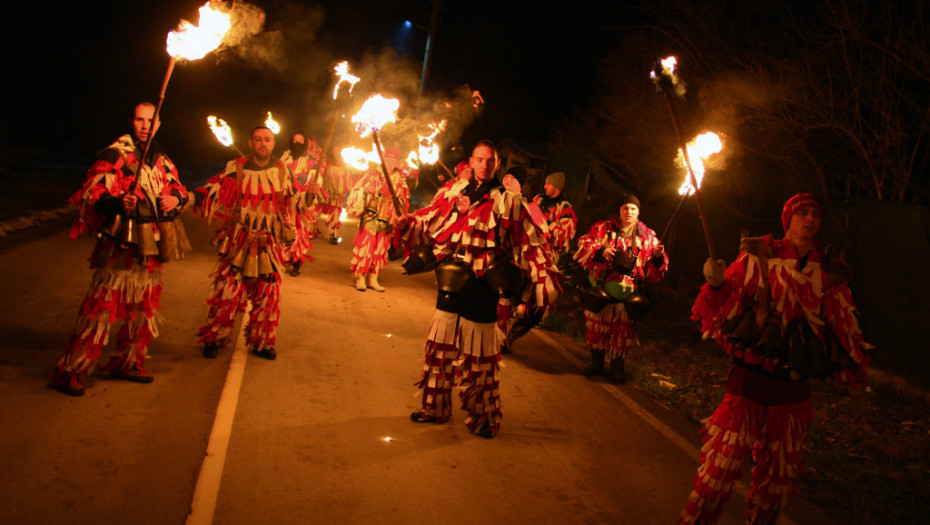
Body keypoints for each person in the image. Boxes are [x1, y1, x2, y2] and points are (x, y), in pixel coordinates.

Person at [677, 193, 872, 525]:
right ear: (788, 219)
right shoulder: (758, 256)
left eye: (815, 214)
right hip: (748, 383)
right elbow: (727, 304)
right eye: (803, 213)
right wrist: (715, 283)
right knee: (719, 471)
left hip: (792, 395)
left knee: (775, 486)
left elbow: (843, 324)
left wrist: (855, 371)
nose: (810, 219)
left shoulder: (826, 271)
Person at [394, 140, 561, 438]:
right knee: (440, 348)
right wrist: (407, 221)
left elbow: (531, 238)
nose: (484, 165)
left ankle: (483, 418)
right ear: (471, 161)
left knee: (481, 357)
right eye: (480, 159)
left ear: (497, 164)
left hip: (484, 285)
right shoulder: (453, 192)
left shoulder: (508, 200)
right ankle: (434, 408)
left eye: (490, 161)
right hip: (452, 280)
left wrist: (538, 279)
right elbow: (430, 221)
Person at [50, 102, 190, 396]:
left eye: (149, 121)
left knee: (142, 309)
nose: (144, 126)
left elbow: (178, 186)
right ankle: (71, 370)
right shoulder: (115, 154)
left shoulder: (160, 158)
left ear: (158, 125)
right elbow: (93, 193)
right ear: (131, 121)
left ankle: (128, 362)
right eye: (139, 120)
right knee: (100, 308)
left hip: (150, 246)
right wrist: (118, 203)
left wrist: (176, 199)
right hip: (120, 244)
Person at [196, 126, 296, 361]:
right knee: (227, 293)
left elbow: (293, 202)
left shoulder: (283, 171)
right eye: (258, 139)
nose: (263, 143)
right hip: (238, 239)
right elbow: (214, 189)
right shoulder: (237, 167)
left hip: (269, 242)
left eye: (267, 140)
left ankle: (262, 342)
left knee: (268, 294)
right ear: (250, 143)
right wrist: (187, 197)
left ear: (273, 144)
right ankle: (215, 338)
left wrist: (311, 196)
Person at [573, 193, 668, 383]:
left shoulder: (648, 237)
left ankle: (618, 367)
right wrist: (602, 251)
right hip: (602, 289)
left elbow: (655, 271)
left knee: (622, 332)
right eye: (625, 208)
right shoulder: (604, 228)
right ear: (620, 210)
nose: (629, 212)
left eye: (633, 209)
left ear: (638, 212)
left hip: (628, 293)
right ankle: (596, 363)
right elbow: (583, 243)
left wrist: (657, 257)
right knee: (597, 329)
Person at [348, 147, 411, 292]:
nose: (390, 162)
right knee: (367, 246)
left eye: (393, 159)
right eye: (387, 158)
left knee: (380, 249)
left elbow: (404, 200)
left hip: (387, 218)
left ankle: (373, 278)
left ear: (397, 162)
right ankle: (361, 277)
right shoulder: (371, 174)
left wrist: (400, 210)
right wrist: (366, 189)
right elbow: (356, 188)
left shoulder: (400, 179)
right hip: (372, 214)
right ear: (382, 158)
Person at [280, 132, 321, 277]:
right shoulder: (285, 156)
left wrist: (308, 191)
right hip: (285, 201)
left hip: (302, 202)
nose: (297, 142)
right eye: (295, 139)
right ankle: (283, 260)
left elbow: (315, 178)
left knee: (300, 233)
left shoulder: (311, 158)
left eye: (300, 140)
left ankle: (297, 262)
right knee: (285, 230)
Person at [532, 171, 578, 256]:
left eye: (548, 184)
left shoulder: (565, 208)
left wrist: (545, 222)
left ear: (556, 187)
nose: (544, 186)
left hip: (546, 255)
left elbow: (563, 235)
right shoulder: (538, 199)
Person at [315, 147, 350, 245]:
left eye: (338, 150)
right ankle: (311, 229)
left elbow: (347, 178)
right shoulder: (328, 162)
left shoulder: (344, 164)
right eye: (334, 150)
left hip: (338, 192)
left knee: (335, 212)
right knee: (317, 210)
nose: (336, 152)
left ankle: (333, 234)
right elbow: (323, 173)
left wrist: (343, 190)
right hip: (328, 190)